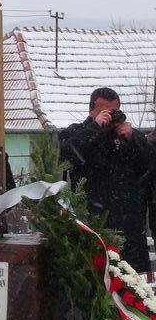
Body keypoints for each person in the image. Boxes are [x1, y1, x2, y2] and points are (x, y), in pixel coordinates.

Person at [59, 87, 153, 273]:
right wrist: (95, 128)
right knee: (95, 280)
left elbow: (149, 166)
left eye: (114, 111)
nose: (111, 116)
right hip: (93, 223)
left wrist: (133, 138)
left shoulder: (128, 137)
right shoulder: (78, 132)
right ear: (92, 111)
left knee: (135, 285)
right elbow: (68, 154)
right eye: (105, 111)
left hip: (128, 227)